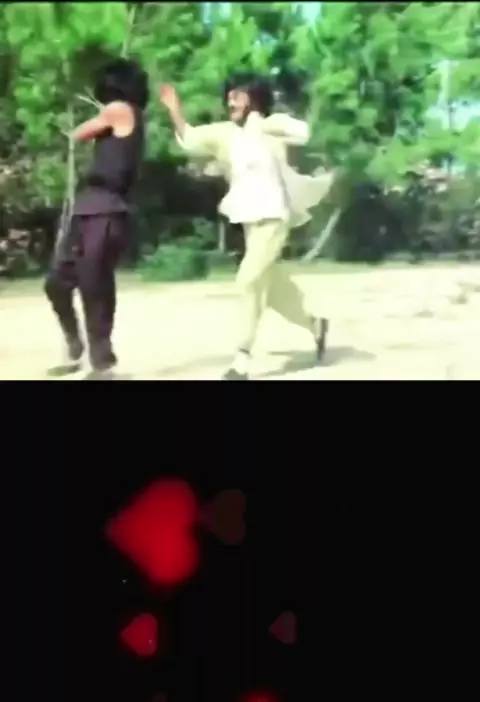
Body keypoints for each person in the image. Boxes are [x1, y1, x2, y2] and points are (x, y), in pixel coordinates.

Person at [159, 72, 333, 380]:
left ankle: (241, 358)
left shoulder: (270, 127)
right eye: (229, 96)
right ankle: (315, 324)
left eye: (237, 95)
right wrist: (174, 108)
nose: (230, 101)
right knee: (271, 287)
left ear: (254, 98)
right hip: (250, 221)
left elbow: (302, 132)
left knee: (248, 279)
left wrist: (265, 124)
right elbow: (189, 138)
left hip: (275, 217)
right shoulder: (225, 133)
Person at [44, 58, 149, 379]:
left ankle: (103, 363)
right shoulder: (119, 114)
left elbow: (78, 133)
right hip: (88, 206)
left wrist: (83, 120)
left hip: (107, 208)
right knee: (57, 282)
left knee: (94, 285)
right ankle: (75, 345)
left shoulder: (121, 109)